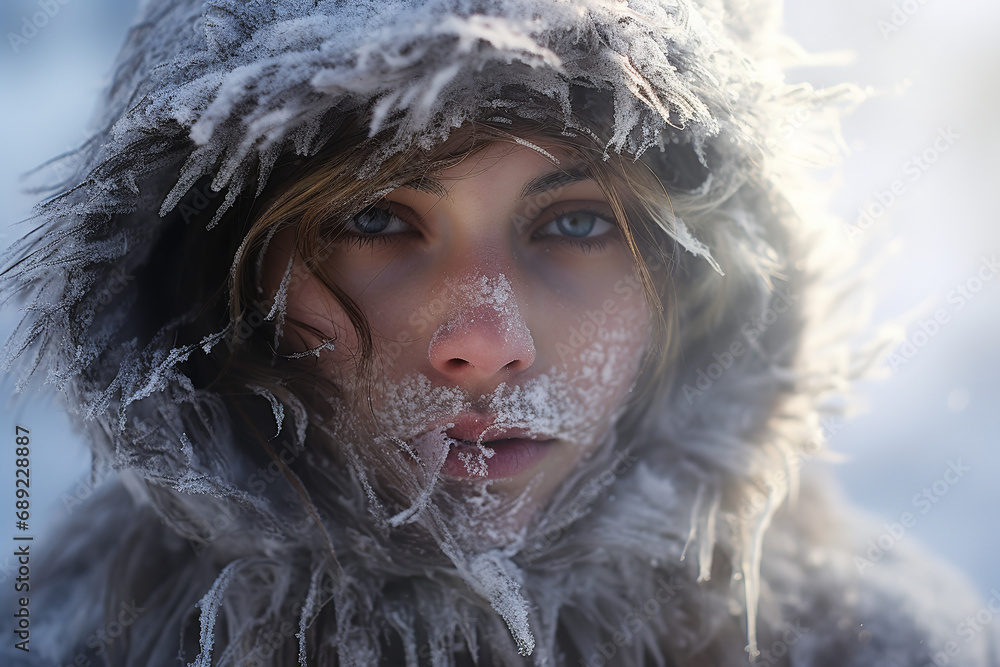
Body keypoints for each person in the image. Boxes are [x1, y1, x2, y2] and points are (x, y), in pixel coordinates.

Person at [1, 0, 996, 665]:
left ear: (699, 282)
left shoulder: (882, 645)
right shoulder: (51, 639)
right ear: (206, 263)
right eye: (374, 219)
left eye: (574, 224)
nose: (485, 340)